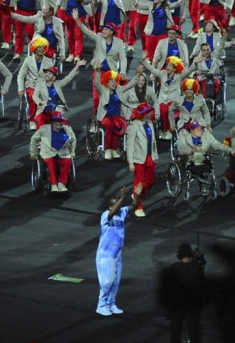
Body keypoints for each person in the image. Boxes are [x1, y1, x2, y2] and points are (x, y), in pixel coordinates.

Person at [95, 185, 139, 316]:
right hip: (105, 255)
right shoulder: (105, 216)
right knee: (107, 282)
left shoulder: (121, 212)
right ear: (110, 207)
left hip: (117, 255)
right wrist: (123, 198)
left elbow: (134, 206)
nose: (119, 208)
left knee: (115, 282)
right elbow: (114, 211)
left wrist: (137, 195)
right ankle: (101, 305)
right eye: (116, 205)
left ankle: (111, 304)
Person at [158, 243, 205, 343]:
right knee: (194, 334)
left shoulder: (174, 268)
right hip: (192, 306)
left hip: (177, 306)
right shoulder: (197, 268)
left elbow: (167, 289)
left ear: (179, 254)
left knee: (175, 334)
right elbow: (202, 286)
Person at [29, 111, 76, 193]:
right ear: (52, 122)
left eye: (61, 121)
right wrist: (33, 153)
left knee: (67, 161)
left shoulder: (67, 129)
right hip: (48, 153)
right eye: (58, 121)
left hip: (63, 153)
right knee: (51, 162)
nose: (60, 123)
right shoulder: (44, 129)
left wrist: (72, 152)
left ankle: (61, 183)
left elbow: (73, 140)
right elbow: (34, 139)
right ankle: (53, 184)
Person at [125, 103, 159, 217]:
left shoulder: (150, 123)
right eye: (149, 111)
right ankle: (138, 206)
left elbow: (154, 142)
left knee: (150, 181)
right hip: (138, 158)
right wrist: (130, 162)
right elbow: (130, 145)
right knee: (139, 181)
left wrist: (155, 156)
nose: (151, 113)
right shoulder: (134, 125)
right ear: (144, 114)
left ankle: (137, 194)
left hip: (149, 157)